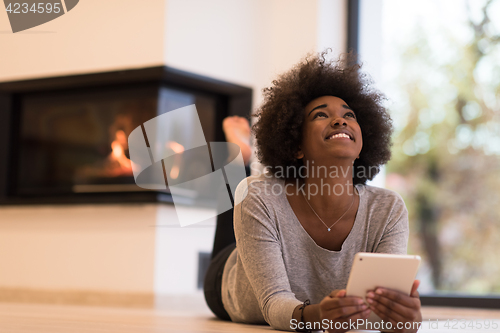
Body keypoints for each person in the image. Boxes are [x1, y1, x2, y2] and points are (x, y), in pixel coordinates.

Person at [204, 52, 422, 333]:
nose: (340, 121)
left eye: (349, 115)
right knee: (239, 197)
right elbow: (273, 304)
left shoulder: (388, 208)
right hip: (229, 284)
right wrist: (316, 316)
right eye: (321, 114)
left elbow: (378, 314)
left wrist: (401, 319)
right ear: (296, 145)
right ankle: (237, 158)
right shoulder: (261, 196)